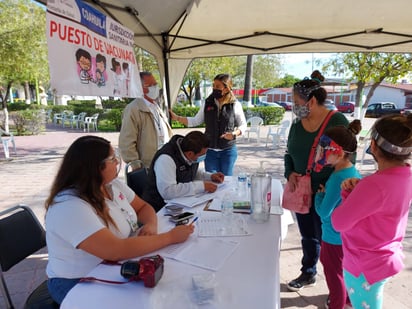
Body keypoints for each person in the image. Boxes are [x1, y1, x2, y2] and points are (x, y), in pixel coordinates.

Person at [45, 136, 194, 304]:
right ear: (94, 167)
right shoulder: (69, 206)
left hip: (114, 266)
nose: (117, 162)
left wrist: (151, 225)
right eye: (112, 159)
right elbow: (115, 250)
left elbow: (143, 207)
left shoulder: (112, 185)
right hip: (78, 280)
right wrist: (170, 237)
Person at [332, 114, 412, 309]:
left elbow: (338, 222)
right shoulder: (406, 175)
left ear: (373, 146)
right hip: (385, 257)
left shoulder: (374, 185)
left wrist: (348, 194)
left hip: (364, 266)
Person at [284, 70, 349, 292]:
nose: (293, 105)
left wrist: (331, 186)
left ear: (311, 101)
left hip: (328, 194)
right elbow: (288, 153)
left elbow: (347, 158)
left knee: (331, 243)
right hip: (302, 191)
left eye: (295, 101)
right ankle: (308, 272)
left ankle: (338, 289)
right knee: (308, 237)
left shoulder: (337, 121)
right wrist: (289, 172)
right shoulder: (296, 124)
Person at [313, 120, 362, 309]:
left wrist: (319, 195)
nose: (321, 153)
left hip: (333, 238)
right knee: (345, 274)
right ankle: (348, 301)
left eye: (324, 149)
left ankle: (337, 304)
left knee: (334, 278)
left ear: (338, 152)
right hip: (346, 237)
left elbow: (324, 211)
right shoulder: (351, 171)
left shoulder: (337, 178)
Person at [170, 73, 246, 176]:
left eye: (218, 86)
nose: (214, 89)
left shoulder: (235, 105)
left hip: (228, 152)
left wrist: (233, 134)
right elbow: (195, 121)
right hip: (210, 151)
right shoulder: (207, 103)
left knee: (227, 180)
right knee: (213, 179)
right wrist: (177, 118)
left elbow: (243, 125)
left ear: (227, 88)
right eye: (213, 86)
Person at [142, 131, 225, 212]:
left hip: (179, 204)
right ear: (190, 154)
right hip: (158, 209)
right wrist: (201, 186)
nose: (204, 157)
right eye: (202, 155)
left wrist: (209, 176)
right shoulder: (166, 159)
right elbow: (168, 191)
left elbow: (191, 172)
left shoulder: (189, 151)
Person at [119, 71, 173, 169]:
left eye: (155, 84)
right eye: (150, 85)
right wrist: (137, 167)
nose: (154, 87)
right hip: (147, 166)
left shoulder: (156, 106)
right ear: (140, 88)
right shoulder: (133, 109)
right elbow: (126, 143)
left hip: (165, 162)